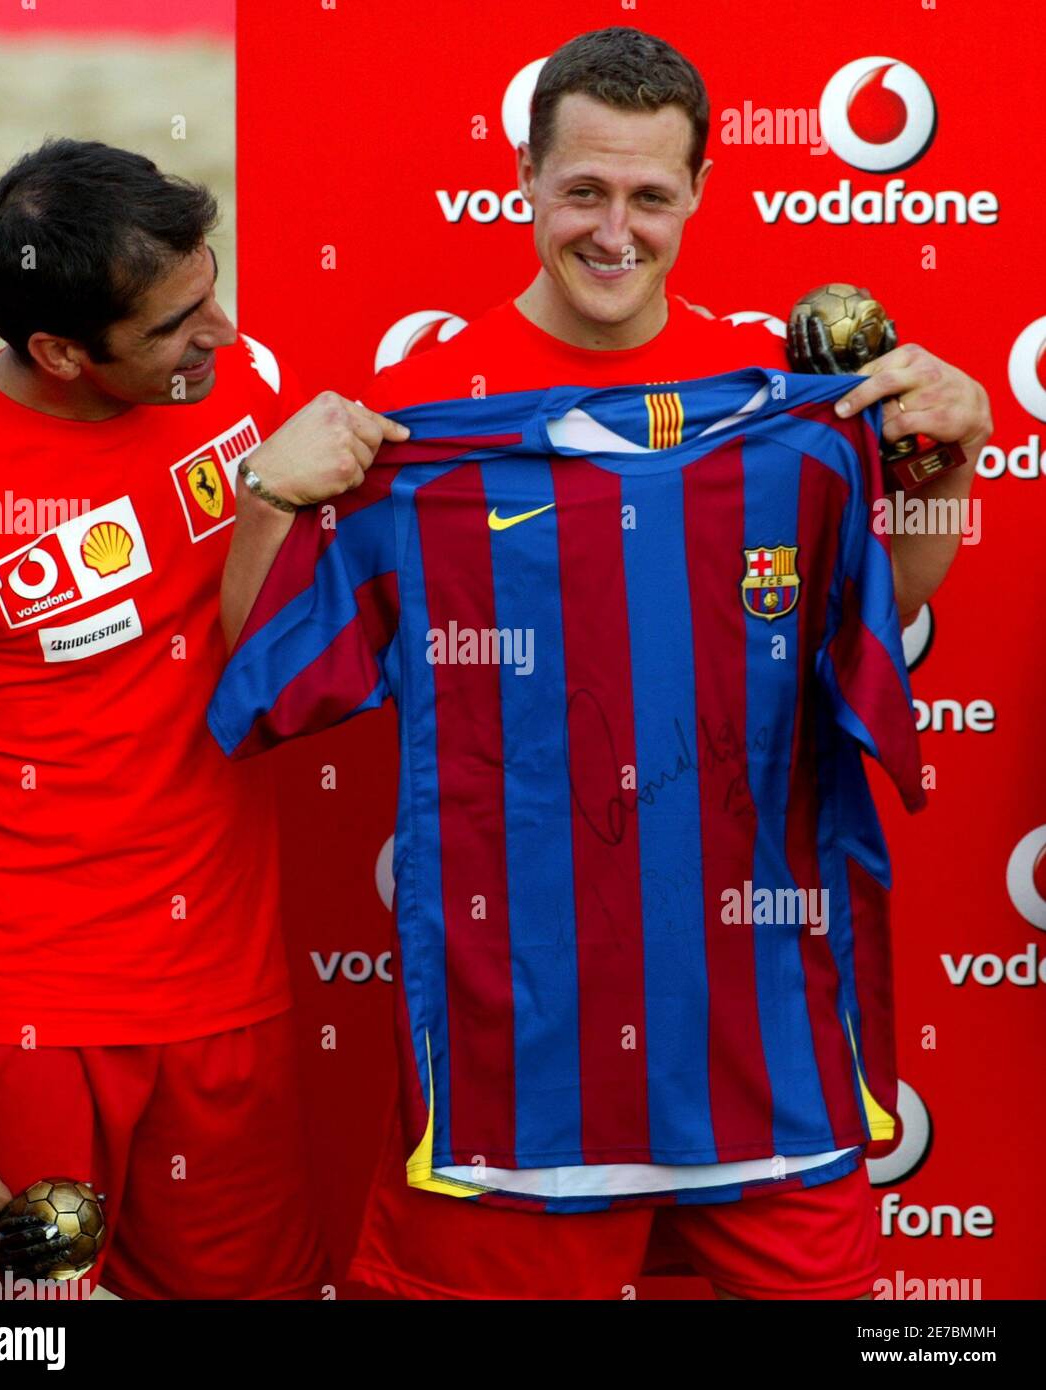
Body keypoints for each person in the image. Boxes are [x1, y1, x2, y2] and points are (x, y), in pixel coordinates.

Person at [216, 28, 991, 1300]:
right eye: (583, 191)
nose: (614, 230)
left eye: (648, 196)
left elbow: (875, 606)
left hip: (762, 1036)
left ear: (696, 194)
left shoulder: (790, 405)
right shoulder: (419, 419)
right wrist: (266, 501)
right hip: (520, 1066)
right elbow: (266, 683)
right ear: (525, 183)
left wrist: (945, 474)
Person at [0, 138, 404, 1301]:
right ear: (60, 352)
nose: (223, 331)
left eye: (212, 286)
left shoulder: (235, 384)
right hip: (24, 1028)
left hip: (229, 996)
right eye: (178, 321)